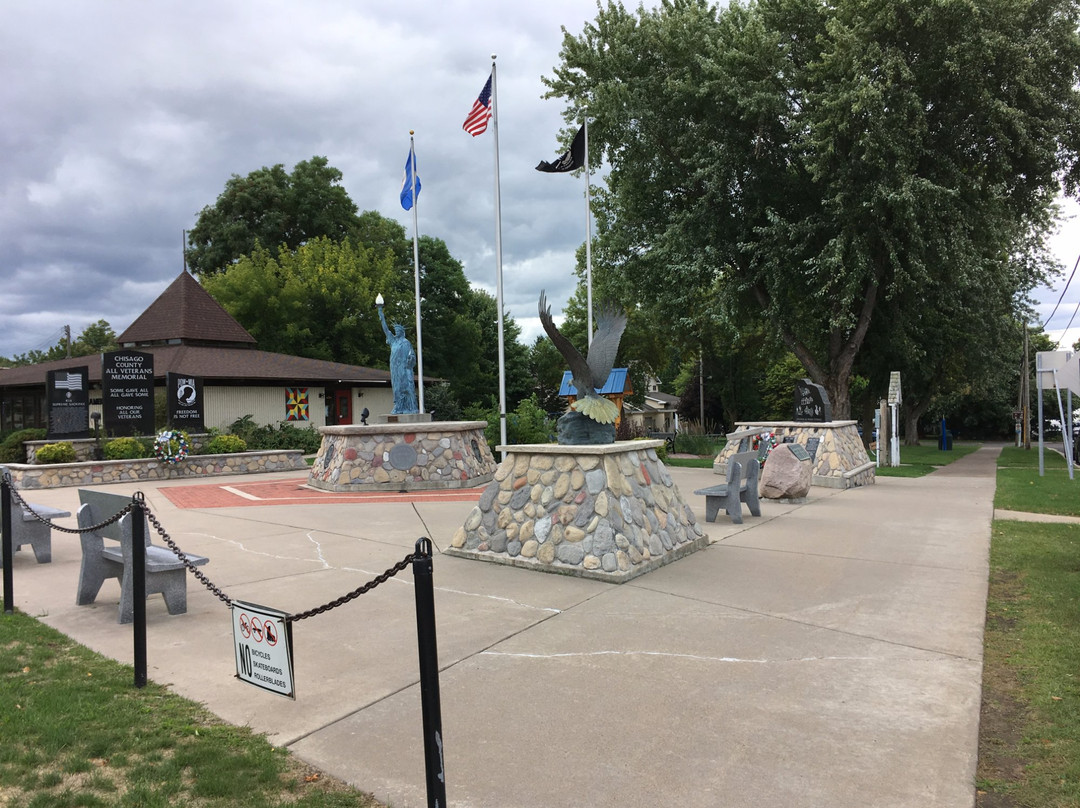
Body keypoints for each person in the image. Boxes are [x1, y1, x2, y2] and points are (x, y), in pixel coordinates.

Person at [378, 305, 418, 414]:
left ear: (402, 331)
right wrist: (380, 313)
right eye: (395, 330)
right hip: (395, 368)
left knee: (407, 387)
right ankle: (398, 406)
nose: (396, 332)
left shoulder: (406, 342)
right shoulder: (393, 341)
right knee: (396, 387)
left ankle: (410, 407)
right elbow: (385, 329)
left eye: (398, 330)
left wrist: (411, 359)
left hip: (404, 368)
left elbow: (412, 355)